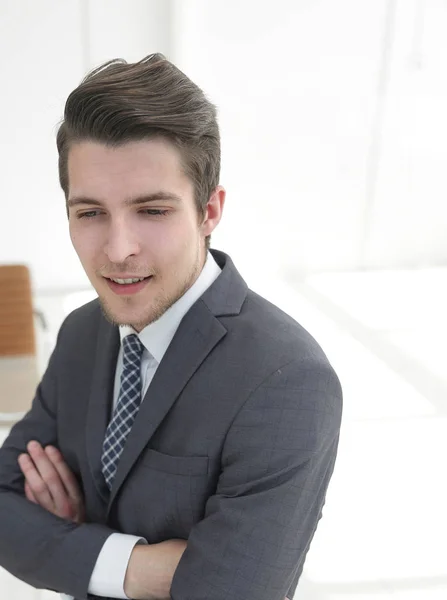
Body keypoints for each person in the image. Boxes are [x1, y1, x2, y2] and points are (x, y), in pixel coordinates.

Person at [0, 53, 342, 600]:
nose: (117, 250)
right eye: (90, 213)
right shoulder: (82, 333)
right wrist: (137, 567)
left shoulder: (287, 380)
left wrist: (69, 541)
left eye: (152, 211)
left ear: (209, 211)